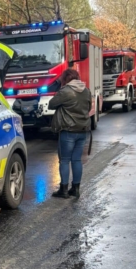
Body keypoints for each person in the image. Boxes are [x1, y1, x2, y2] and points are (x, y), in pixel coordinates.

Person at [48, 69, 92, 199]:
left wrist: (59, 88)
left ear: (65, 79)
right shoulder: (86, 91)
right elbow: (88, 108)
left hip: (68, 130)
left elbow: (51, 104)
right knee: (77, 160)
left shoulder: (65, 91)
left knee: (65, 160)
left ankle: (64, 190)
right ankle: (76, 189)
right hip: (82, 129)